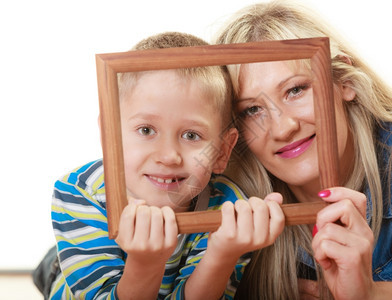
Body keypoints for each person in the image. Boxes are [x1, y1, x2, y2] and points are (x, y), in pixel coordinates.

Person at [214, 1, 392, 299]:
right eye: (251, 110)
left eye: (296, 90)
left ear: (345, 82)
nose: (283, 128)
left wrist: (373, 295)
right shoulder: (232, 212)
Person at [45, 31, 285, 300]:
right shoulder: (79, 192)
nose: (169, 156)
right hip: (77, 280)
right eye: (146, 130)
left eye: (191, 135)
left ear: (222, 151)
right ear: (109, 135)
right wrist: (146, 263)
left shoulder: (228, 208)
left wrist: (221, 255)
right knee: (55, 269)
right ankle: (49, 266)